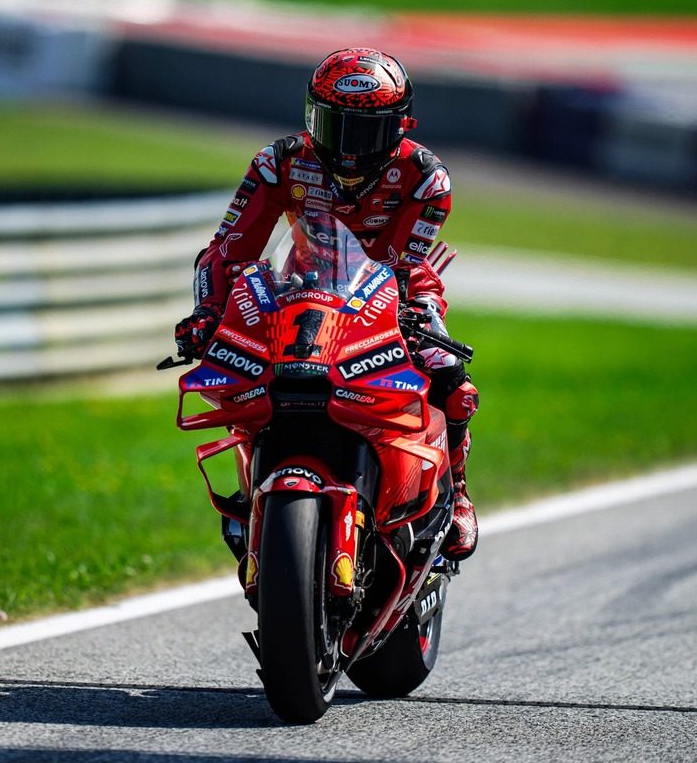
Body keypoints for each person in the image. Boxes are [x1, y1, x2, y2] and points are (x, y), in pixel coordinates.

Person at [175, 47, 478, 560]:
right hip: (302, 277)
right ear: (311, 116)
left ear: (400, 126)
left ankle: (461, 494)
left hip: (399, 288)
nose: (348, 148)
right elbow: (229, 248)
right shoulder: (278, 162)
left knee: (448, 374)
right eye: (333, 126)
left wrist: (410, 313)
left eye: (365, 131)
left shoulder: (427, 178)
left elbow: (403, 266)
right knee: (240, 364)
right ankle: (258, 481)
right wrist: (208, 311)